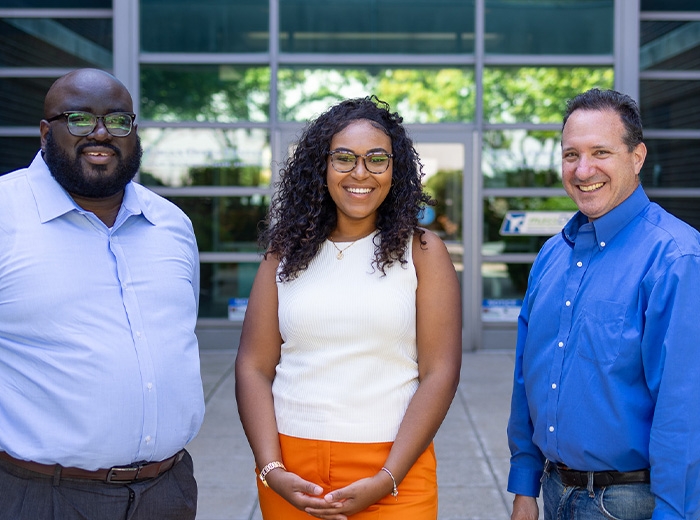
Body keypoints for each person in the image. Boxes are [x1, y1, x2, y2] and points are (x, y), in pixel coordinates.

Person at [0, 68, 204, 519]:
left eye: (117, 120)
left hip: (164, 494)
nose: (100, 133)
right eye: (78, 119)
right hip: (26, 495)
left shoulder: (171, 225)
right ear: (45, 131)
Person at [235, 96, 462, 520]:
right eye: (344, 158)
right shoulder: (283, 255)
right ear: (321, 166)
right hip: (291, 470)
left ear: (396, 170)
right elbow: (253, 366)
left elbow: (440, 372)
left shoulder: (424, 252)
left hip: (394, 471)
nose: (361, 173)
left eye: (377, 159)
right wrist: (271, 469)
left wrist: (387, 477)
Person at [507, 88, 700, 520]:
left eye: (600, 152)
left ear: (637, 157)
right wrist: (525, 483)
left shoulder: (675, 258)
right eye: (570, 154)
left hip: (631, 504)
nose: (583, 169)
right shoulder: (552, 255)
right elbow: (528, 376)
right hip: (554, 491)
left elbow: (684, 409)